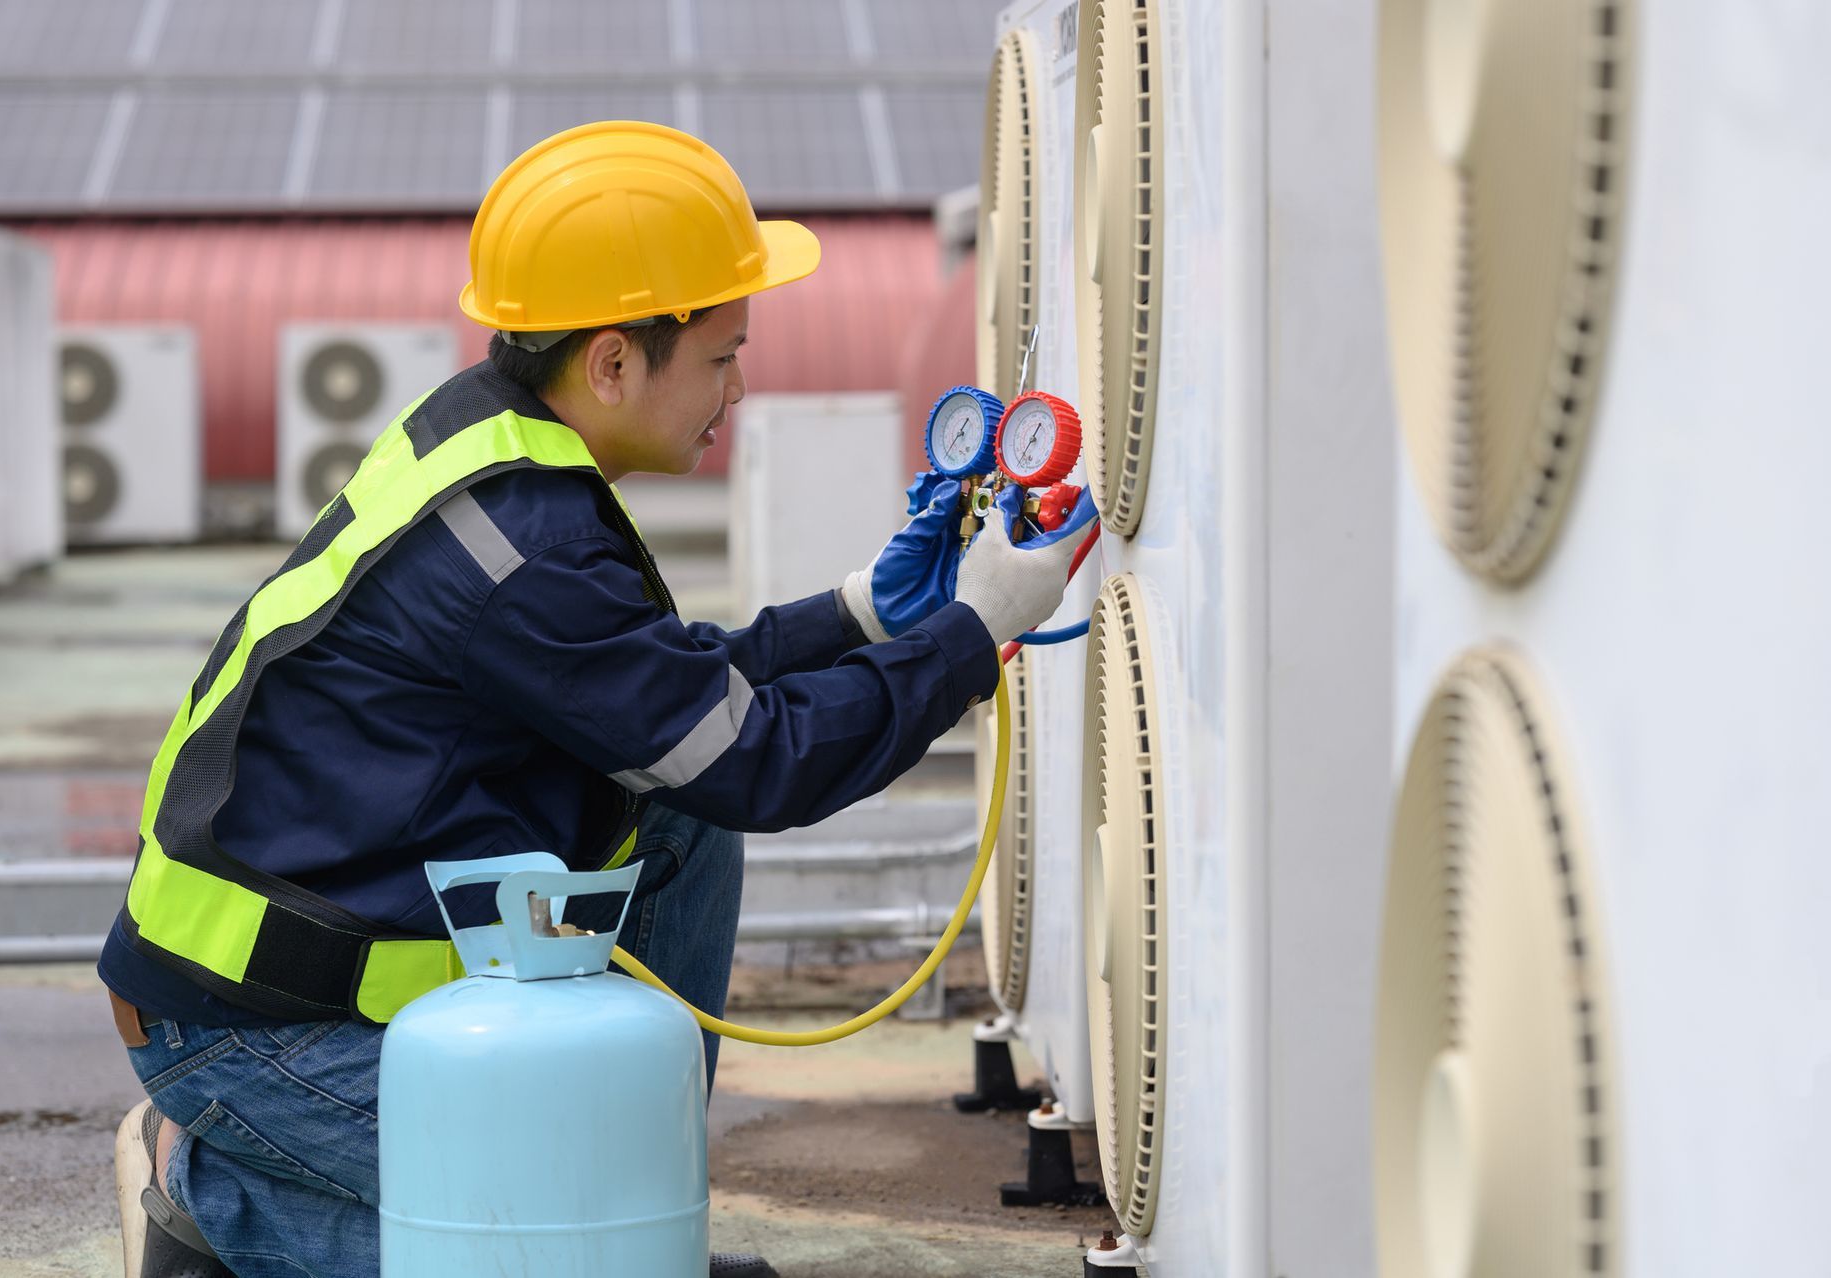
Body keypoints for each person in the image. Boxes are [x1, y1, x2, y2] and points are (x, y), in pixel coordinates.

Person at [101, 121, 1095, 1278]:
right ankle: (210, 1192)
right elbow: (764, 762)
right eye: (722, 355)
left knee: (674, 814)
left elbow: (665, 696)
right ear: (616, 362)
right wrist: (972, 633)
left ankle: (624, 1189)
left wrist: (862, 613)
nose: (738, 386)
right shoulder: (522, 549)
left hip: (307, 975)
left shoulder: (497, 438)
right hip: (254, 1033)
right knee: (559, 1255)